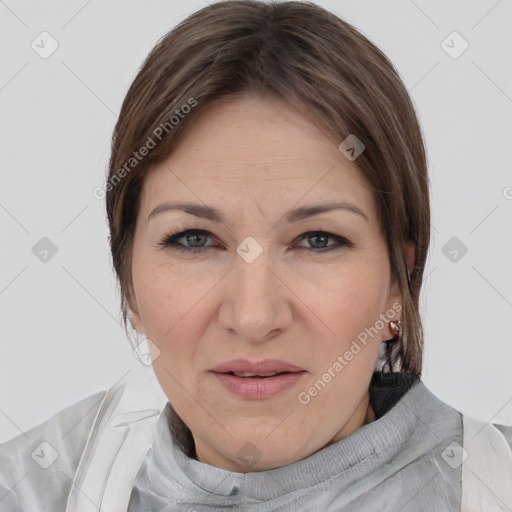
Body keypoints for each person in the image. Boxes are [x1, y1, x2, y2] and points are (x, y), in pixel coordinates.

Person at [1, 1, 511, 511]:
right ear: (128, 283)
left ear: (399, 285)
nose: (254, 317)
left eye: (318, 240)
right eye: (195, 239)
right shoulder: (30, 488)